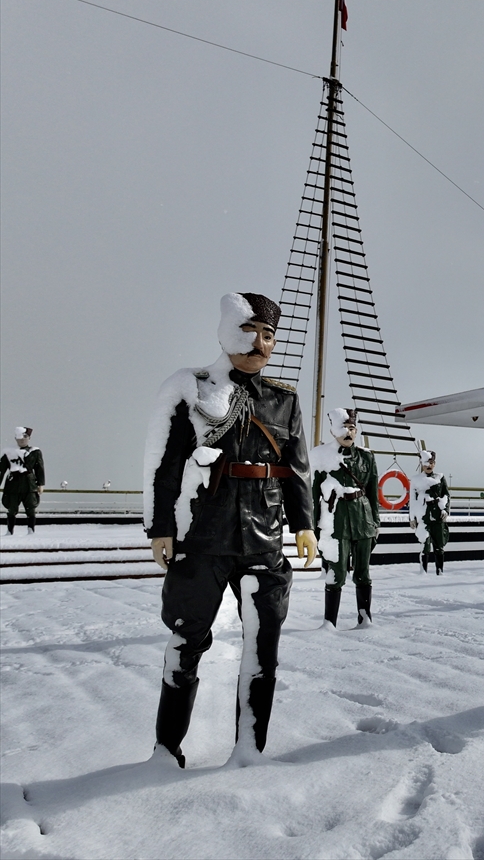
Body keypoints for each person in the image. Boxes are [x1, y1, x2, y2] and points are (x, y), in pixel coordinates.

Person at [144, 292, 316, 768]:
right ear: (225, 332)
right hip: (200, 537)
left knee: (263, 648)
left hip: (264, 536)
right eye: (250, 332)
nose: (260, 343)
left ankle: (249, 751)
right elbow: (166, 463)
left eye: (268, 335)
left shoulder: (284, 400)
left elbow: (297, 468)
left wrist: (304, 525)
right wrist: (161, 527)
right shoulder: (193, 390)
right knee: (186, 639)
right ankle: (165, 750)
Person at [311, 408, 380, 628]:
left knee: (363, 573)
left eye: (352, 428)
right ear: (333, 431)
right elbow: (314, 496)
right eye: (344, 428)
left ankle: (365, 618)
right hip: (335, 521)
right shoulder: (320, 457)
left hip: (363, 519)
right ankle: (329, 622)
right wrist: (315, 529)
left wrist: (375, 523)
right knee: (336, 573)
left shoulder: (367, 457)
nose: (349, 433)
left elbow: (372, 491)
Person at [410, 449, 450, 574]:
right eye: (427, 462)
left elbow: (446, 495)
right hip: (423, 516)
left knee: (439, 546)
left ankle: (440, 571)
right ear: (422, 463)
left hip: (437, 516)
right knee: (424, 545)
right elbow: (412, 499)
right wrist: (412, 518)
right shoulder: (415, 480)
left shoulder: (440, 478)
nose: (429, 465)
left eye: (432, 462)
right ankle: (423, 572)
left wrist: (445, 510)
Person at [1, 426, 44, 535]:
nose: (22, 440)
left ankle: (31, 530)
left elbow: (39, 468)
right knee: (11, 508)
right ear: (15, 439)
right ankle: (9, 531)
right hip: (12, 484)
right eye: (19, 438)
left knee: (31, 508)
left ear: (29, 438)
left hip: (29, 484)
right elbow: (1, 470)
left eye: (25, 437)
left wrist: (41, 484)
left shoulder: (35, 452)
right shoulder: (8, 452)